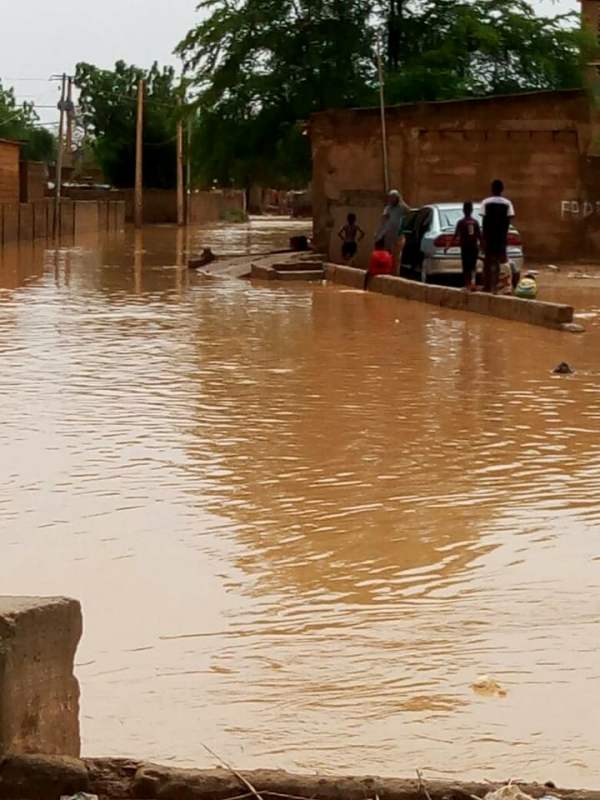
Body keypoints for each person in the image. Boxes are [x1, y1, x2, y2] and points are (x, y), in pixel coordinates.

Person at [480, 179, 515, 293]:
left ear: (492, 189)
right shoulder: (507, 203)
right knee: (503, 260)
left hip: (489, 237)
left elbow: (484, 222)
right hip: (501, 237)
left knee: (487, 261)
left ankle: (487, 286)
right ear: (502, 189)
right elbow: (509, 220)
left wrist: (483, 239)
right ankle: (506, 286)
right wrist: (504, 235)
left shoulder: (485, 202)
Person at [446, 201, 481, 289]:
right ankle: (473, 283)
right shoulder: (475, 222)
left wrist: (448, 245)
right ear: (472, 210)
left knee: (466, 267)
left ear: (463, 210)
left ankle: (467, 284)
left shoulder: (461, 222)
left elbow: (455, 235)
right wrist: (483, 247)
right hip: (474, 248)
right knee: (473, 266)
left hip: (465, 248)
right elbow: (480, 236)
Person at [376, 189, 410, 274]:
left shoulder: (402, 207)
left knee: (396, 257)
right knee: (387, 255)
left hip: (398, 236)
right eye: (390, 198)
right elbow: (383, 220)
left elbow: (409, 214)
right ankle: (387, 272)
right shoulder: (388, 208)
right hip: (388, 235)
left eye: (393, 198)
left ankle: (395, 274)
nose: (391, 199)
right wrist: (379, 233)